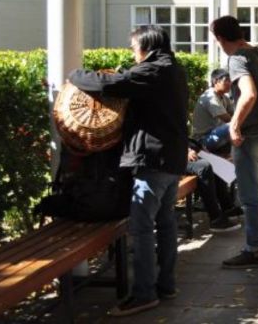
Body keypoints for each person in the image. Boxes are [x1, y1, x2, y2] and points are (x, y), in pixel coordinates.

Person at [69, 25, 188, 316]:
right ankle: (166, 284)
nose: (132, 53)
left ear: (146, 46)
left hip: (153, 161)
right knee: (166, 222)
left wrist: (74, 75)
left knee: (142, 227)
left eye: (134, 47)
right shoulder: (174, 68)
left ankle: (144, 293)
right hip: (172, 160)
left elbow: (110, 84)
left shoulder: (153, 70)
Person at [210, 15, 258, 268]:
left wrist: (235, 124)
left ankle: (254, 249)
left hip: (251, 137)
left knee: (251, 198)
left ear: (219, 37)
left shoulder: (238, 58)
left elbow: (249, 94)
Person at [191, 68, 233, 152]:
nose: (230, 83)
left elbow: (234, 113)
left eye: (230, 80)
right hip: (203, 140)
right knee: (234, 125)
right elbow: (228, 119)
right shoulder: (210, 97)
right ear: (216, 81)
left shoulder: (225, 97)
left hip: (216, 135)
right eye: (227, 80)